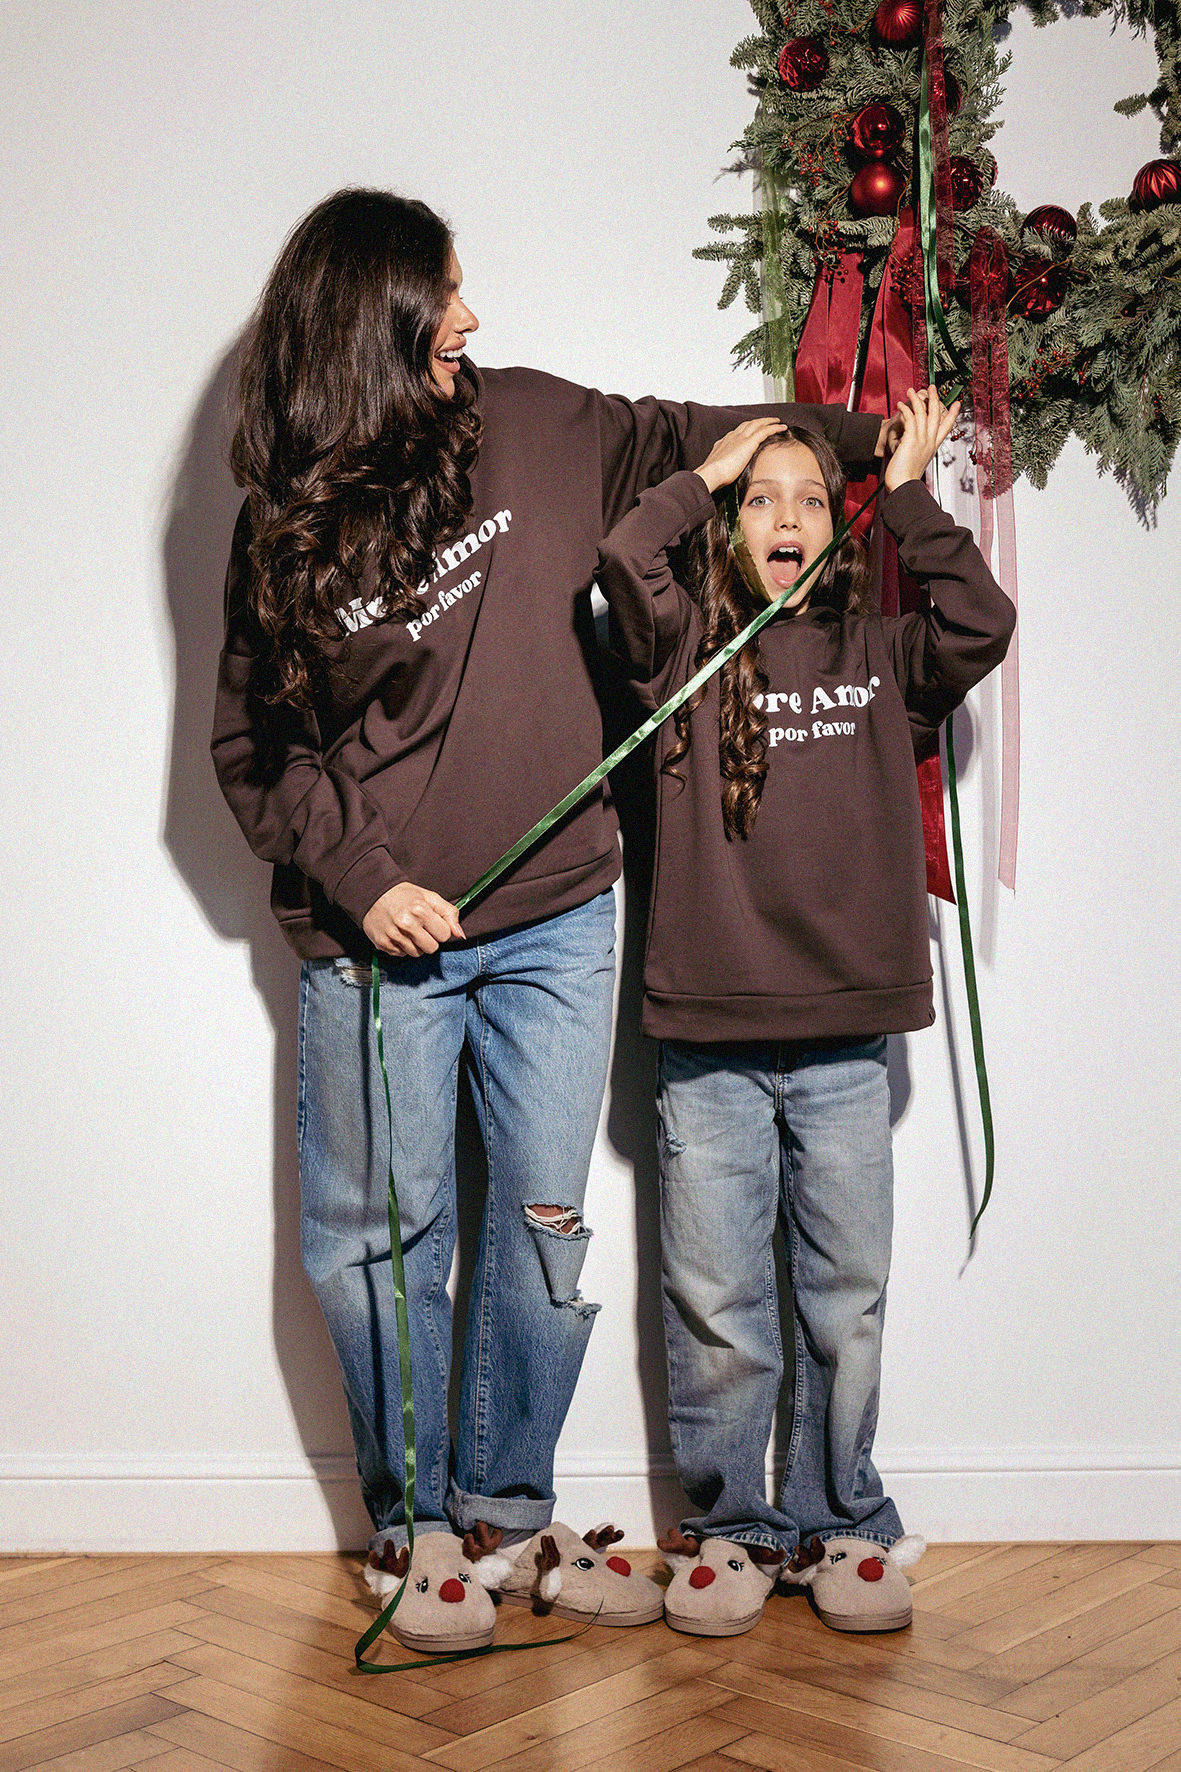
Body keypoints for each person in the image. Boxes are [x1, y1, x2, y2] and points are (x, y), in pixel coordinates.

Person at [211, 186, 892, 1652]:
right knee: (380, 1243)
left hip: (558, 918)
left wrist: (862, 434)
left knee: (541, 1232)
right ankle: (413, 1529)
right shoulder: (288, 522)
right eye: (443, 298)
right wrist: (364, 880)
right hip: (380, 942)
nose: (471, 317)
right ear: (369, 327)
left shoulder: (537, 424)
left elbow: (703, 435)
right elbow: (257, 753)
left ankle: (506, 1519)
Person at [597, 389, 1015, 1636]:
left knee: (845, 1296)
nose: (785, 517)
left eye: (809, 501)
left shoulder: (881, 653)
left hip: (842, 1042)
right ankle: (731, 1528)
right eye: (759, 501)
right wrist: (706, 468)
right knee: (717, 1303)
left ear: (839, 529)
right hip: (706, 1040)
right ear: (727, 527)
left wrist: (902, 492)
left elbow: (981, 618)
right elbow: (624, 558)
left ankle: (842, 1519)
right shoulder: (678, 649)